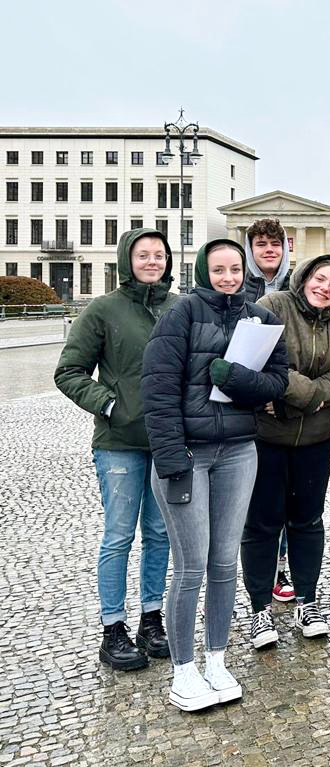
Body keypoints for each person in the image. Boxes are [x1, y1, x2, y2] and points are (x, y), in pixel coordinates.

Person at [142, 239, 288, 711]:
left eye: (234, 269)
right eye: (218, 269)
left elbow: (277, 382)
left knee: (225, 562)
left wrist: (236, 379)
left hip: (239, 450)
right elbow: (158, 389)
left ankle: (216, 658)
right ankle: (183, 669)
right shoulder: (181, 314)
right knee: (189, 566)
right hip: (187, 453)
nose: (228, 277)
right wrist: (169, 458)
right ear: (206, 270)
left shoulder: (262, 319)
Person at [54, 228, 178, 671]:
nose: (152, 261)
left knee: (161, 535)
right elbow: (69, 371)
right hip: (119, 443)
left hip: (165, 441)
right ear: (128, 259)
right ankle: (113, 628)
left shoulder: (178, 307)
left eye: (158, 255)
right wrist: (108, 403)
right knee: (119, 536)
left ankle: (151, 619)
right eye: (143, 255)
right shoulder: (103, 310)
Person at [240, 254, 330, 648]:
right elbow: (258, 362)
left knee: (307, 522)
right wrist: (309, 394)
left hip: (317, 440)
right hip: (267, 437)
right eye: (320, 279)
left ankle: (307, 599)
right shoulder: (272, 306)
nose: (325, 289)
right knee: (262, 524)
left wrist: (315, 395)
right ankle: (259, 609)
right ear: (305, 277)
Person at [240, 217, 294, 599]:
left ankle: (282, 568)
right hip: (248, 405)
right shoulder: (236, 285)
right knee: (255, 499)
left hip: (288, 401)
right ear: (251, 249)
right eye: (261, 244)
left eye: (275, 244)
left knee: (289, 500)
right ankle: (252, 572)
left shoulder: (299, 286)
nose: (269, 250)